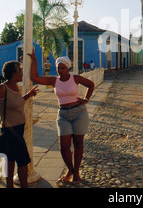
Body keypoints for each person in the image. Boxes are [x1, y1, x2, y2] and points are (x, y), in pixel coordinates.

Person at [28, 50, 94, 185]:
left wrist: (86, 99)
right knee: (63, 147)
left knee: (78, 143)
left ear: (67, 68)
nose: (60, 70)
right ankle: (71, 170)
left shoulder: (75, 78)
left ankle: (76, 173)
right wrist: (34, 60)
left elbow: (91, 84)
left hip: (79, 112)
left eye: (63, 68)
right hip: (63, 114)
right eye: (58, 68)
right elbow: (34, 77)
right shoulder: (54, 81)